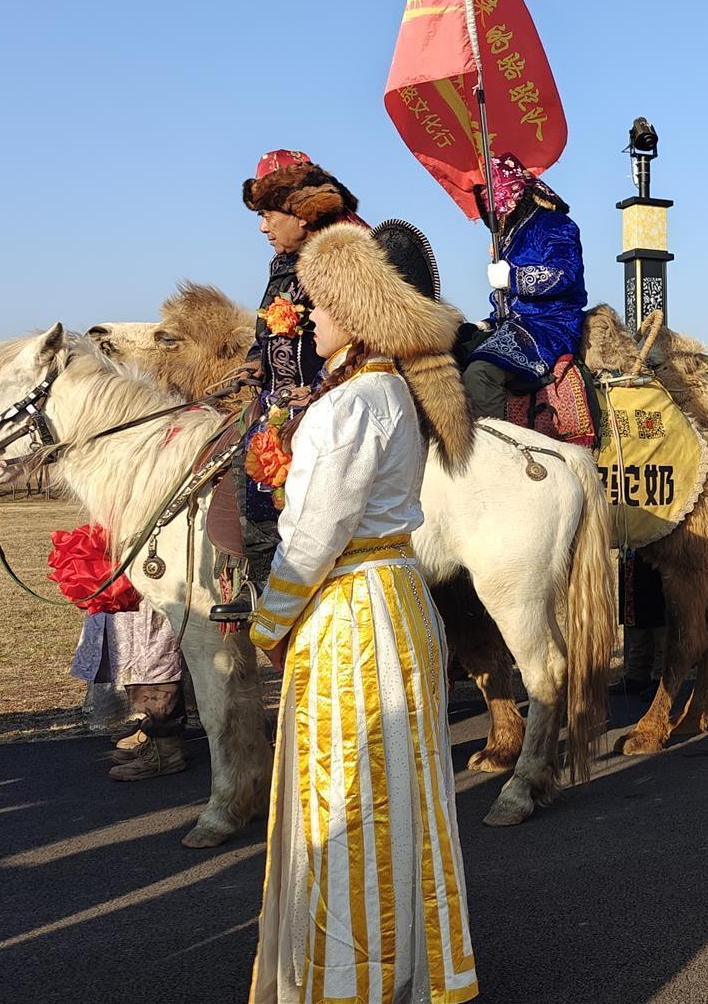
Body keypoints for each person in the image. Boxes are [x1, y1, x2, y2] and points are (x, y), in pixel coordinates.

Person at [247, 220, 479, 1003]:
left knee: (350, 798)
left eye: (318, 304)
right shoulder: (383, 393)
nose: (308, 317)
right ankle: (405, 967)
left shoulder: (352, 405)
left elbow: (314, 536)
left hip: (353, 615)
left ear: (354, 306)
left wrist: (270, 621)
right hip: (393, 600)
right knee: (397, 795)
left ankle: (353, 981)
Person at [219, 151, 365, 621]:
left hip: (335, 401)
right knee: (247, 473)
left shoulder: (346, 255)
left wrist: (322, 390)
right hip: (279, 400)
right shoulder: (282, 264)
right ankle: (265, 591)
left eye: (267, 215)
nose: (262, 228)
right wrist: (254, 362)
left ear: (301, 214)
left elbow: (362, 334)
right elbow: (270, 328)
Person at [459, 154, 588, 420]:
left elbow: (565, 273)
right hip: (512, 325)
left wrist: (513, 278)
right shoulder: (509, 236)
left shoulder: (555, 225)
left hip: (549, 325)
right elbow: (506, 304)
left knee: (480, 373)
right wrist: (485, 324)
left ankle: (492, 453)